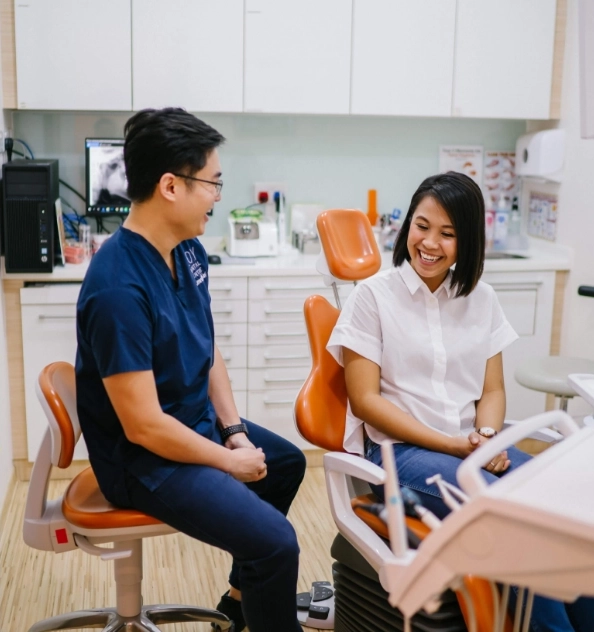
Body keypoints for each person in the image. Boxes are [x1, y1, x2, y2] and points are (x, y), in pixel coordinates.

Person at [327, 171, 594, 632]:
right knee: (512, 518)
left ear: (467, 241)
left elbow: (491, 391)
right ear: (407, 224)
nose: (430, 242)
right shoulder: (373, 298)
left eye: (448, 234)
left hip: (474, 449)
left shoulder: (482, 299)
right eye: (422, 225)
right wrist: (452, 445)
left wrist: (486, 437)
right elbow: (366, 401)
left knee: (560, 506)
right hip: (402, 453)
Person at [75, 107, 306, 632]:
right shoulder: (118, 287)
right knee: (276, 544)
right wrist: (228, 463)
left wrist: (235, 432)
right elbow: (143, 427)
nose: (218, 197)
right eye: (213, 183)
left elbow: (207, 350)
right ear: (171, 186)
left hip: (189, 422)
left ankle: (238, 601)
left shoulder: (189, 251)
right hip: (142, 460)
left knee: (284, 464)